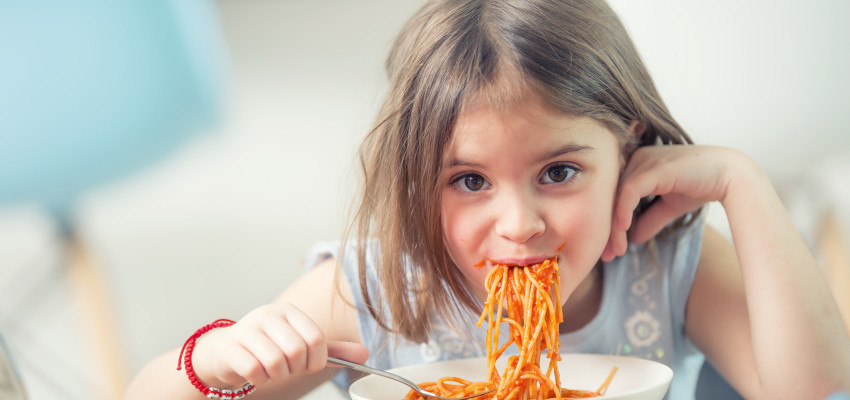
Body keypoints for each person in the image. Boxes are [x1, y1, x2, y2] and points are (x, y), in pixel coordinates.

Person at [124, 0, 850, 399]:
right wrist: (213, 362)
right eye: (470, 181)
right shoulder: (379, 291)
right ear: (417, 181)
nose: (519, 225)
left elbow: (812, 392)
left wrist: (740, 182)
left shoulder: (668, 266)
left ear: (629, 149)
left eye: (559, 173)